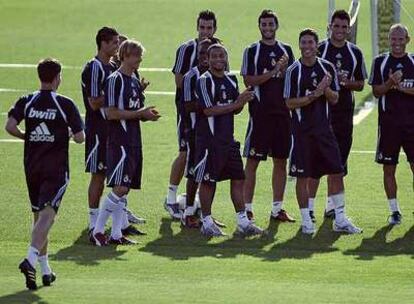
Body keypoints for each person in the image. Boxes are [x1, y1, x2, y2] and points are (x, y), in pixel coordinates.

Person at [5, 58, 84, 290]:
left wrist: (26, 137)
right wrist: (68, 134)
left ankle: (45, 270)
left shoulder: (27, 101)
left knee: (39, 218)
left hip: (32, 166)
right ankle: (30, 259)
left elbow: (9, 126)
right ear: (58, 77)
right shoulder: (64, 103)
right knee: (48, 216)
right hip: (56, 168)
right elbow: (80, 137)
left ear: (40, 76)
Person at [284, 29, 362, 234]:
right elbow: (289, 103)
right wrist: (314, 95)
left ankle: (340, 218)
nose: (307, 46)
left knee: (337, 172)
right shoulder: (293, 70)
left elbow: (335, 98)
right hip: (302, 132)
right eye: (304, 42)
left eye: (311, 42)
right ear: (299, 45)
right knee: (303, 176)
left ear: (317, 46)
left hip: (324, 131)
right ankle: (306, 220)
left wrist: (325, 89)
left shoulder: (327, 68)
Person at [92, 39, 161, 246]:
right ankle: (97, 231)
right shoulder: (115, 80)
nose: (140, 59)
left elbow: (132, 111)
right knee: (120, 187)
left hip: (133, 140)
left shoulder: (133, 81)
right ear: (126, 56)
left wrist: (145, 114)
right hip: (119, 141)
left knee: (126, 187)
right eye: (137, 55)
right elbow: (111, 113)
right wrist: (140, 112)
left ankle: (115, 235)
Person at [195, 44, 263, 237]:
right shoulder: (204, 80)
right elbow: (208, 110)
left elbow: (235, 108)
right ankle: (206, 222)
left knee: (238, 178)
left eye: (222, 55)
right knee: (208, 181)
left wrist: (242, 100)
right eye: (214, 56)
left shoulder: (231, 79)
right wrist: (236, 103)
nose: (219, 59)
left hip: (228, 140)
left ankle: (243, 222)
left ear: (226, 58)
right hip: (209, 141)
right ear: (207, 60)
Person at [308, 9, 367, 221]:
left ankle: (330, 207)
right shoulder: (319, 49)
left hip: (343, 115)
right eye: (337, 26)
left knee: (338, 164)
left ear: (349, 29)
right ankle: (309, 209)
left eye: (344, 27)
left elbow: (360, 84)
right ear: (330, 27)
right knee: (314, 164)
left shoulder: (355, 53)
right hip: (320, 114)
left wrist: (344, 82)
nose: (340, 30)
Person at [241, 9, 295, 223]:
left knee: (281, 162)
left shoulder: (287, 50)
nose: (267, 28)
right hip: (260, 115)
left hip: (283, 115)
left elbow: (293, 80)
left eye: (271, 24)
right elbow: (248, 81)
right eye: (264, 24)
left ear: (276, 26)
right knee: (253, 161)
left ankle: (277, 209)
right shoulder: (252, 50)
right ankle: (246, 208)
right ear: (259, 26)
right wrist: (274, 71)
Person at [165, 10, 218, 219]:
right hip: (188, 110)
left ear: (215, 29)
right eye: (202, 27)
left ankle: (194, 205)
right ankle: (170, 198)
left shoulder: (217, 49)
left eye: (209, 28)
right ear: (197, 26)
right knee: (185, 151)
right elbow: (179, 82)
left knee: (203, 155)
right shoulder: (185, 49)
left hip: (209, 113)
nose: (205, 31)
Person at [369, 24, 414, 225]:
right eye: (393, 39)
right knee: (389, 169)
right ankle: (394, 211)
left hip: (412, 125)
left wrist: (401, 88)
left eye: (400, 39)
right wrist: (390, 84)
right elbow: (377, 92)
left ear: (407, 40)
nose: (396, 43)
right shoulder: (380, 62)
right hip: (388, 125)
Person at [81, 27, 119, 238]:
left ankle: (118, 219)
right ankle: (93, 219)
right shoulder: (94, 67)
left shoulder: (112, 65)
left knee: (116, 173)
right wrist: (118, 91)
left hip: (113, 128)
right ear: (103, 44)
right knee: (99, 174)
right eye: (114, 42)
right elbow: (94, 102)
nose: (117, 46)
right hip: (98, 129)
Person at [181, 39, 212, 228]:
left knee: (210, 173)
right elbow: (187, 105)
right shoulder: (191, 76)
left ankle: (206, 214)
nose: (203, 57)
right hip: (196, 131)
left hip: (215, 131)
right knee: (193, 172)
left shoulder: (218, 74)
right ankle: (189, 211)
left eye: (206, 53)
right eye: (201, 53)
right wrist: (211, 105)